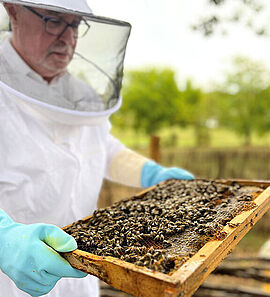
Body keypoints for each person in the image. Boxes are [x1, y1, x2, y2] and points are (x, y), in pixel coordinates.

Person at [0, 0, 194, 296]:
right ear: (13, 11)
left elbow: (102, 148)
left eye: (75, 25)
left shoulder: (79, 93)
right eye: (53, 20)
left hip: (81, 276)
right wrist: (5, 239)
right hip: (12, 281)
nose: (67, 38)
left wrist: (152, 174)